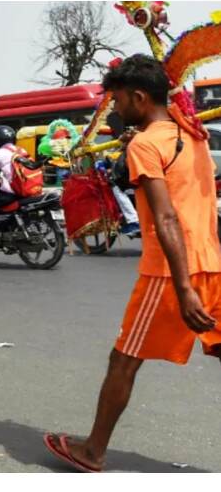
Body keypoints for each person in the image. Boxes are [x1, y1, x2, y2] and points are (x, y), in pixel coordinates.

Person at [44, 54, 221, 472]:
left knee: (124, 358)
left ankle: (92, 451)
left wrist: (182, 289)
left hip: (170, 271)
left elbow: (165, 217)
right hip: (213, 261)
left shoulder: (145, 143)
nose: (115, 110)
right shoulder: (192, 133)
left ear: (140, 97)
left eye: (119, 101)